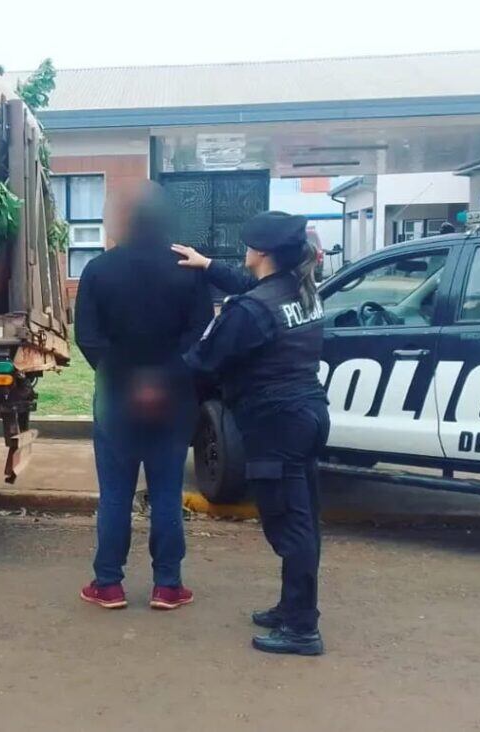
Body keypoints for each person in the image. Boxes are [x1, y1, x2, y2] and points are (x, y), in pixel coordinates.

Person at [173, 211, 329, 656]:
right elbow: (254, 295)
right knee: (303, 517)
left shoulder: (252, 310)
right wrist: (208, 267)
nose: (243, 252)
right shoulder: (299, 289)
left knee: (288, 524)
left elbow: (205, 360)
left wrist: (157, 379)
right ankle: (291, 608)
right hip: (308, 413)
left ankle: (302, 629)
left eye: (247, 247)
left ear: (260, 253)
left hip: (275, 424)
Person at [75, 182, 213, 611]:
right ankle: (167, 585)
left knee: (115, 494)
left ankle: (108, 584)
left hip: (116, 398)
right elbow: (200, 333)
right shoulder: (187, 269)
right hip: (173, 401)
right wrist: (165, 378)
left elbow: (88, 338)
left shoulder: (98, 270)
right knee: (167, 493)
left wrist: (126, 378)